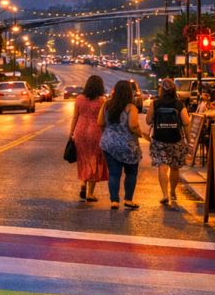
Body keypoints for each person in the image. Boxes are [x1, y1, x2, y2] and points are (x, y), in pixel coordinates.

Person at [97, 79, 142, 209]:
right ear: (129, 92)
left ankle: (114, 201)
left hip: (109, 144)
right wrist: (141, 134)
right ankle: (128, 199)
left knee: (114, 173)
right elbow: (133, 125)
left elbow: (100, 122)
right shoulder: (130, 107)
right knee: (131, 173)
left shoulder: (107, 105)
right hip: (128, 145)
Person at [147, 78, 190, 206]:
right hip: (176, 139)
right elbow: (186, 122)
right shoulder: (179, 104)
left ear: (161, 89)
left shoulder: (155, 104)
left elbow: (148, 121)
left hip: (160, 139)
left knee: (162, 166)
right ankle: (172, 192)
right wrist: (189, 140)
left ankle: (165, 194)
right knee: (175, 166)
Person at [70, 75, 108, 202]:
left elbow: (75, 116)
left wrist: (71, 132)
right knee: (95, 160)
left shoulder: (79, 99)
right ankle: (90, 194)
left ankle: (83, 182)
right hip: (95, 132)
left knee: (83, 159)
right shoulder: (102, 101)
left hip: (81, 131)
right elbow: (103, 119)